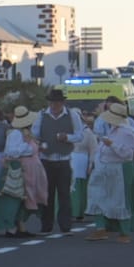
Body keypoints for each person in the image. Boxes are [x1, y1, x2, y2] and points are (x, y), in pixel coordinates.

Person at [86, 101, 134, 243]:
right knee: (97, 196)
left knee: (119, 200)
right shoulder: (112, 130)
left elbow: (127, 154)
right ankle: (101, 228)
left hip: (119, 168)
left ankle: (124, 231)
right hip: (104, 167)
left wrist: (112, 145)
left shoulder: (127, 132)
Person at [0, 107, 45, 237]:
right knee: (12, 197)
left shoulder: (23, 133)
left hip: (22, 167)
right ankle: (11, 228)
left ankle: (20, 227)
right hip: (15, 167)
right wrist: (27, 146)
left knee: (21, 198)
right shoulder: (16, 134)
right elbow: (12, 152)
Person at [34, 90, 83, 233]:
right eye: (52, 102)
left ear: (62, 102)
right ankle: (46, 225)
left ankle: (65, 225)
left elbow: (80, 135)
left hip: (64, 159)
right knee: (46, 194)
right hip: (46, 159)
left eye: (57, 102)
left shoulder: (72, 115)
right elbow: (35, 134)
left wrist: (67, 137)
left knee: (64, 194)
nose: (54, 105)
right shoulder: (41, 115)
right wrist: (39, 144)